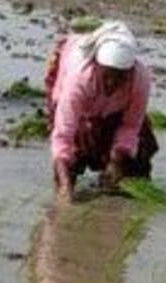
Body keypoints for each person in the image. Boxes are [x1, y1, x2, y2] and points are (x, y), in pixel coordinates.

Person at [45, 21, 157, 200]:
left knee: (141, 148)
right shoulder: (79, 79)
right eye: (107, 75)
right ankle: (65, 184)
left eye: (120, 77)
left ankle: (112, 186)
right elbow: (63, 135)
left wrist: (117, 160)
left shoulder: (139, 80)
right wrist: (66, 187)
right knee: (75, 149)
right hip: (75, 98)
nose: (112, 83)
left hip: (113, 111)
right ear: (97, 66)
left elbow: (131, 126)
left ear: (129, 72)